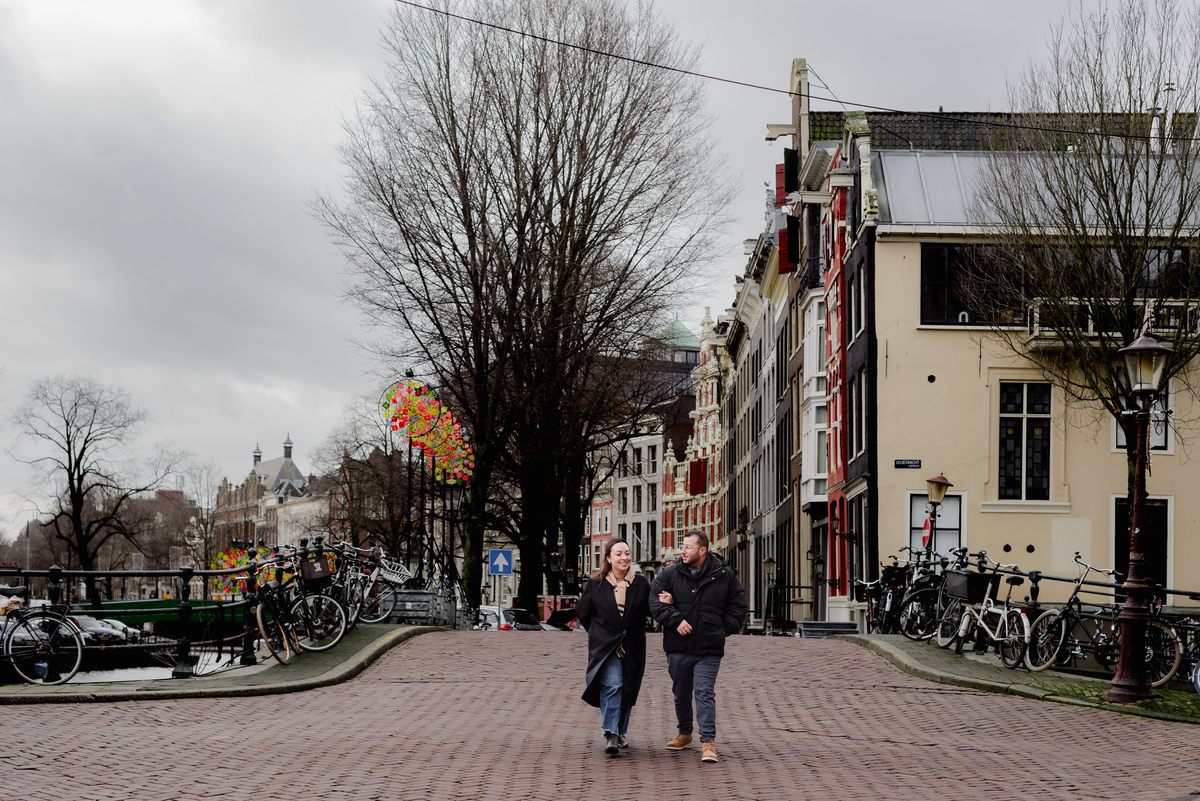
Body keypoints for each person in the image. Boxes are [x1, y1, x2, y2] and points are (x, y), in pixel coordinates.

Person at [649, 530, 747, 764]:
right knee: (681, 693)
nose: (682, 551)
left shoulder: (724, 575)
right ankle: (685, 733)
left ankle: (708, 743)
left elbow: (738, 605)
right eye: (682, 546)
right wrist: (675, 620)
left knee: (704, 692)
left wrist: (722, 629)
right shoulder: (669, 573)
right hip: (677, 646)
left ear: (702, 550)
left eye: (688, 547)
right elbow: (654, 601)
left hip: (709, 647)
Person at [576, 538, 651, 756]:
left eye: (627, 553)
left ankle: (620, 731)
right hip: (607, 647)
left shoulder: (641, 584)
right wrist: (599, 634)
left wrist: (667, 601)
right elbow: (583, 614)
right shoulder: (596, 584)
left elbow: (650, 611)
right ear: (609, 558)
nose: (624, 557)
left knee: (628, 688)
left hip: (632, 646)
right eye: (618, 554)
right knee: (613, 685)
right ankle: (610, 733)